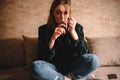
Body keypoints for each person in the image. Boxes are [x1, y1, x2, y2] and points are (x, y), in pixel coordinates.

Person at [30, 0, 99, 80]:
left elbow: (84, 53)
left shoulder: (77, 27)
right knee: (35, 66)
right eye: (58, 13)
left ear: (69, 14)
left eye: (65, 13)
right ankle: (65, 78)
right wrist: (53, 39)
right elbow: (42, 58)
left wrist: (73, 32)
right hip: (52, 67)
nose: (62, 17)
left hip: (72, 66)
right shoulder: (44, 29)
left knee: (94, 60)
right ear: (53, 13)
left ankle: (70, 76)